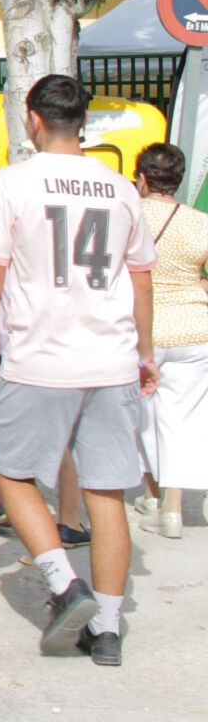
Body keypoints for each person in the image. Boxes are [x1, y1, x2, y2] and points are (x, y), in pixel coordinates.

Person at [0, 75, 157, 666]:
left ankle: (66, 584)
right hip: (110, 357)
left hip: (38, 356)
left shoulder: (14, 182)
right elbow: (140, 279)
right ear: (82, 122)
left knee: (11, 474)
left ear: (34, 119)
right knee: (105, 492)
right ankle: (109, 629)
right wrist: (144, 353)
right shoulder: (120, 188)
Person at [133, 142, 207, 541]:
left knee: (144, 416)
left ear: (142, 178)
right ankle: (173, 509)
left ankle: (152, 493)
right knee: (180, 419)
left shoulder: (128, 216)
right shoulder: (201, 222)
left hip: (144, 331)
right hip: (196, 332)